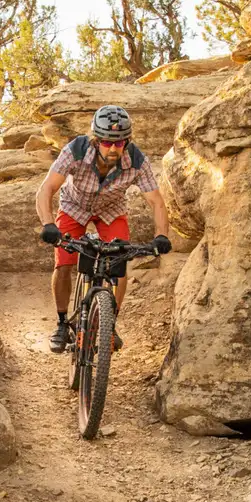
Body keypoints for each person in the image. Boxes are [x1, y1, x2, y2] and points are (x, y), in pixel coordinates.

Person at [34, 103, 171, 352]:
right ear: (96, 140)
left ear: (126, 142)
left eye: (119, 143)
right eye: (107, 142)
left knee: (118, 268)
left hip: (111, 210)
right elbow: (47, 189)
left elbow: (156, 201)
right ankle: (63, 323)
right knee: (64, 262)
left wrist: (161, 235)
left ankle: (109, 325)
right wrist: (48, 223)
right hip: (74, 205)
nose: (113, 148)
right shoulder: (75, 150)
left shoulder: (137, 160)